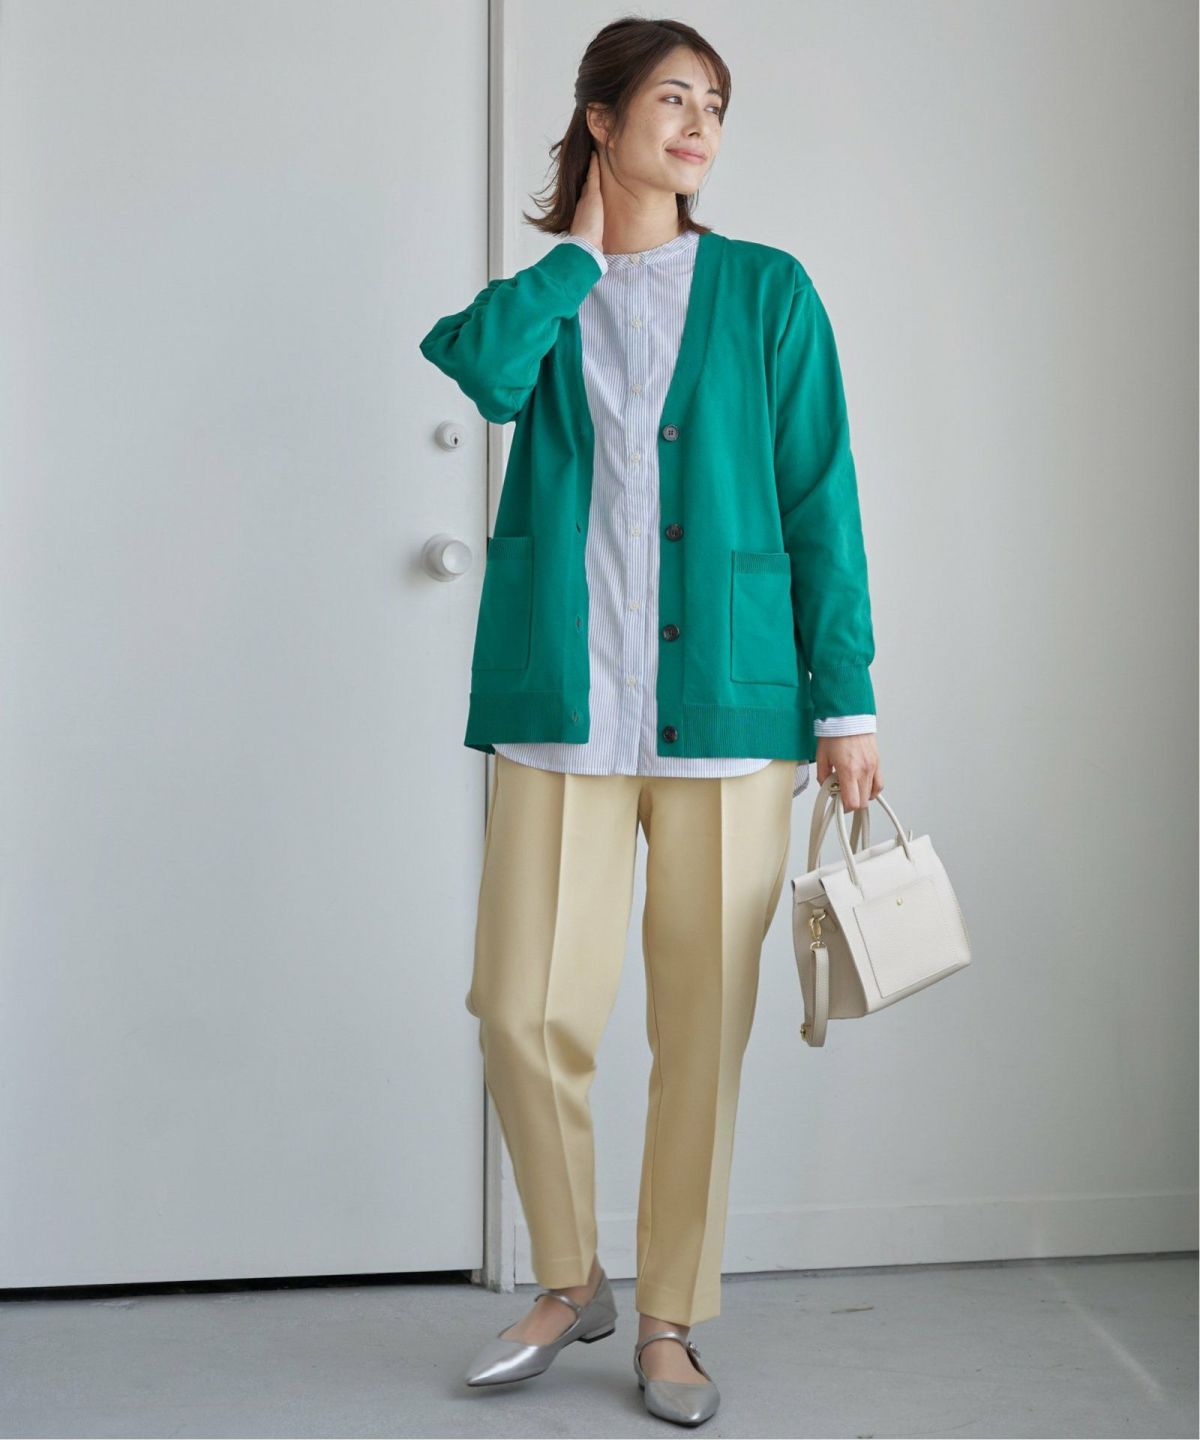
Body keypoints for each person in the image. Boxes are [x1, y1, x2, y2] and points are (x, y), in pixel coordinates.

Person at [419, 15, 883, 1426]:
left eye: (716, 105)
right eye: (673, 99)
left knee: (701, 1033)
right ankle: (572, 1280)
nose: (699, 125)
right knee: (520, 1009)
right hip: (562, 713)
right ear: (602, 120)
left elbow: (821, 498)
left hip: (732, 715)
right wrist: (577, 255)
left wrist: (847, 703)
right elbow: (481, 369)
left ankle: (671, 1316)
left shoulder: (766, 291)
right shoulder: (547, 298)